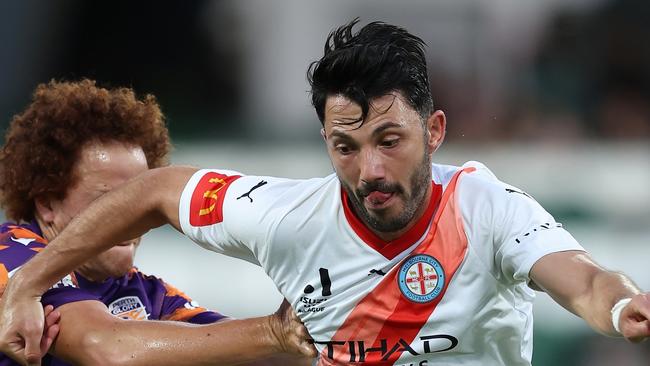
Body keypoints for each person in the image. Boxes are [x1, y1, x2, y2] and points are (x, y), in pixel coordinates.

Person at [2, 20, 650, 366]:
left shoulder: (489, 209)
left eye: (390, 140)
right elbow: (160, 194)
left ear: (436, 130)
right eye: (346, 146)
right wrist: (28, 285)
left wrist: (623, 311)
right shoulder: (286, 217)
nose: (370, 168)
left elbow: (584, 280)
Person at [0, 79, 314, 366]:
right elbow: (105, 348)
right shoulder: (10, 254)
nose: (127, 220)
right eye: (107, 201)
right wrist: (274, 333)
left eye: (139, 207)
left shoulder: (148, 293)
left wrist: (306, 327)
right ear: (47, 204)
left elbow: (251, 351)